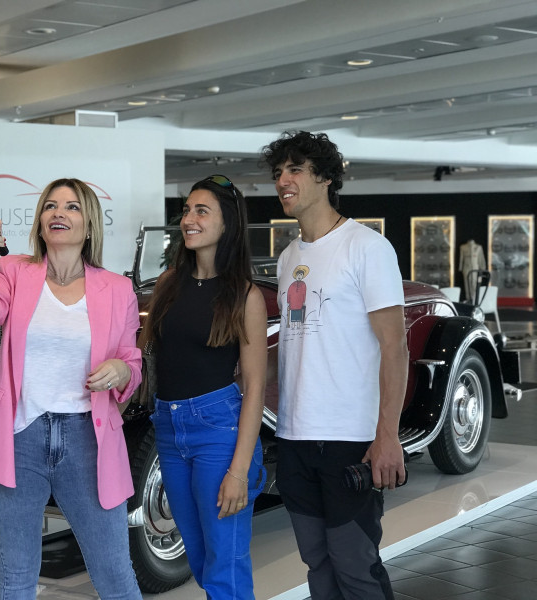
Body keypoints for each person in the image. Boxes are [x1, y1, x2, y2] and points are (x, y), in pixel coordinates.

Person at [0, 178, 143, 600]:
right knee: (16, 577)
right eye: (51, 206)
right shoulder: (14, 271)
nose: (59, 213)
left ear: (89, 224)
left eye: (72, 206)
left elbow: (131, 363)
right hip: (17, 437)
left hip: (88, 441)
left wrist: (119, 369)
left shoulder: (117, 289)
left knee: (115, 576)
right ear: (41, 221)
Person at [261, 131, 408, 600]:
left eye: (295, 169)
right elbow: (295, 344)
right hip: (294, 437)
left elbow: (395, 348)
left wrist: (387, 436)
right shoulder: (288, 258)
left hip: (350, 439)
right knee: (317, 565)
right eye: (278, 172)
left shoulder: (366, 247)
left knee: (355, 565)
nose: (283, 181)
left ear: (325, 177)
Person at [142, 174, 268, 599]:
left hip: (219, 431)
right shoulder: (168, 284)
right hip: (169, 429)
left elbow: (255, 387)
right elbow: (148, 356)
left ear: (227, 222)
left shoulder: (245, 296)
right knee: (199, 558)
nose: (188, 220)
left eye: (201, 211)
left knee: (224, 568)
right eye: (186, 211)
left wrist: (239, 470)